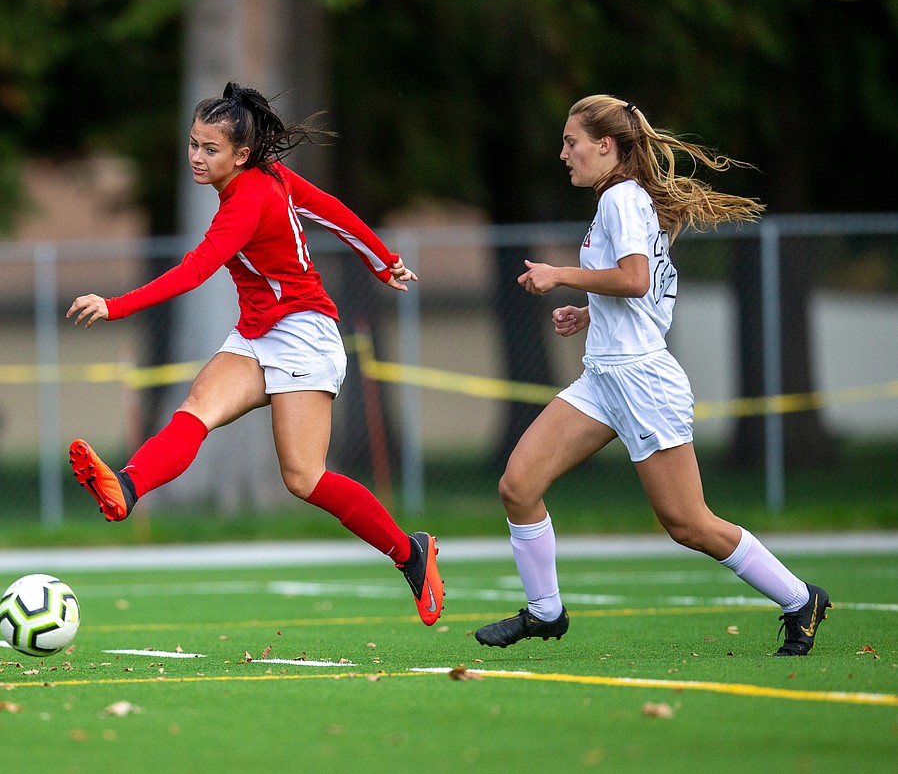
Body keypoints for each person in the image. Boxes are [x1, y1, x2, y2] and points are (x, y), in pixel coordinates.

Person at [65, 82, 444, 626]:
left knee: (304, 479)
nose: (197, 157)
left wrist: (116, 305)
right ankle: (125, 486)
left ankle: (411, 554)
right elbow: (331, 211)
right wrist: (382, 260)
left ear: (241, 154)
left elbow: (196, 270)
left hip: (304, 334)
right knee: (196, 410)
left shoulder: (249, 198)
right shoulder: (269, 177)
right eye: (193, 144)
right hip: (257, 332)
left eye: (210, 149)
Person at [475, 94, 829, 656]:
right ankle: (546, 611)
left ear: (605, 145)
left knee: (688, 523)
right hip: (603, 378)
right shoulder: (625, 200)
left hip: (641, 382)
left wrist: (560, 276)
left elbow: (636, 279)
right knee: (518, 486)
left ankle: (799, 598)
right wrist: (591, 312)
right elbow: (650, 295)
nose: (563, 153)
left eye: (572, 142)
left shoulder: (620, 198)